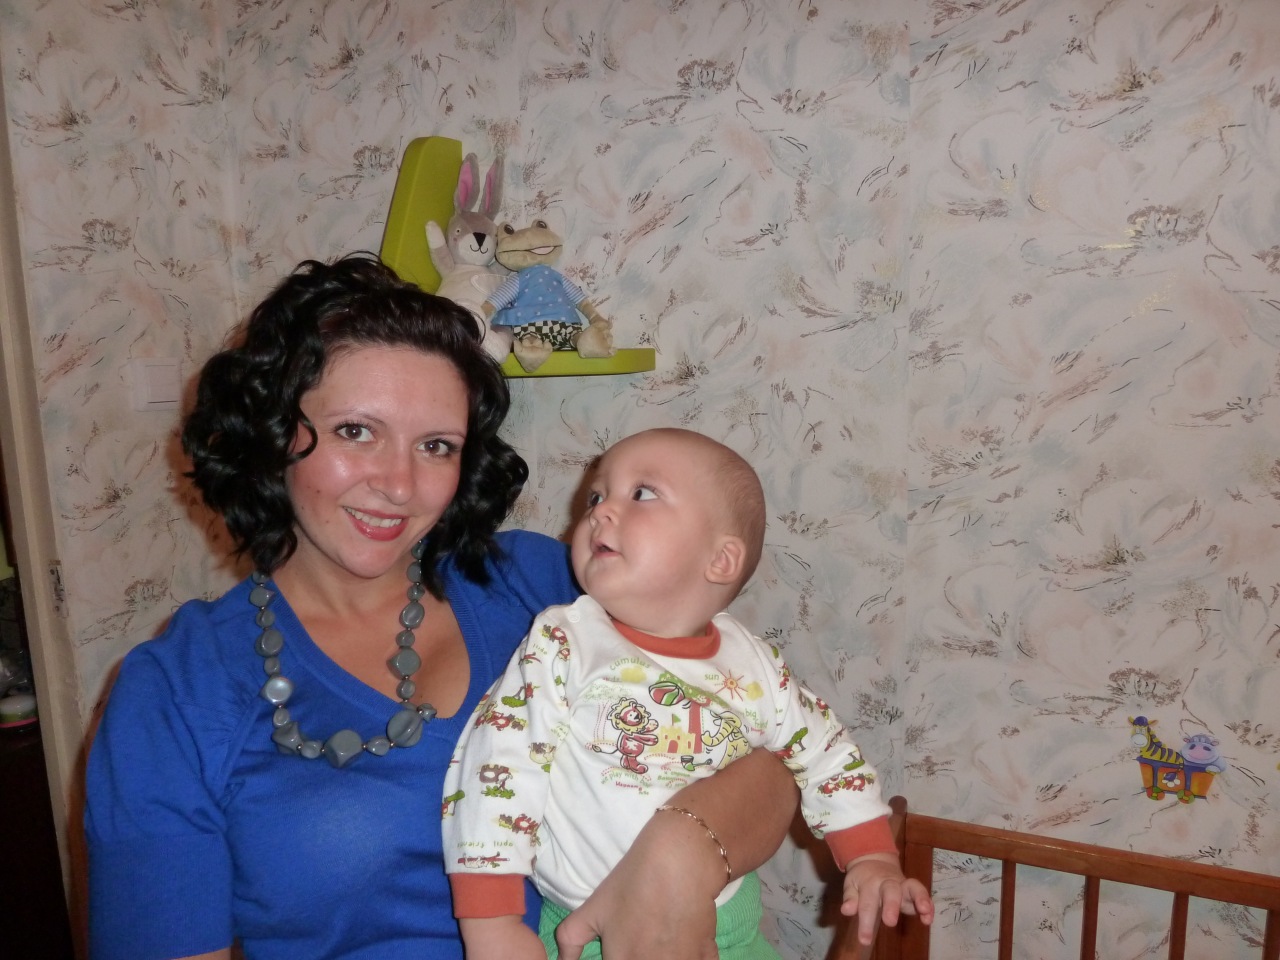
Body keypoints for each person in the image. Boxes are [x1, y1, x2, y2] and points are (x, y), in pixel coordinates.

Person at [83, 254, 799, 960]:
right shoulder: (178, 691)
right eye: (355, 431)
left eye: (435, 446)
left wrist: (684, 846)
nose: (399, 484)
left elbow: (777, 760)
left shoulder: (542, 587)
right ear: (273, 434)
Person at [443, 427, 935, 959]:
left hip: (734, 932)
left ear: (720, 560)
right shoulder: (563, 643)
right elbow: (498, 768)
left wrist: (870, 855)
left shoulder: (755, 664)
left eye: (642, 493)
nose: (600, 511)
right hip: (592, 936)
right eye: (596, 496)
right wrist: (492, 921)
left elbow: (825, 751)